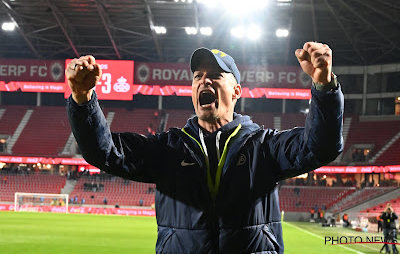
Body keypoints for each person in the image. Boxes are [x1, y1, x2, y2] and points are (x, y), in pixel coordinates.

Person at [66, 42, 343, 253]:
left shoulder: (264, 146)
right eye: (198, 76)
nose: (204, 80)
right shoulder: (169, 149)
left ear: (236, 91)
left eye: (216, 75)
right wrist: (82, 100)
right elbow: (104, 151)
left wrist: (324, 86)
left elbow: (320, 146)